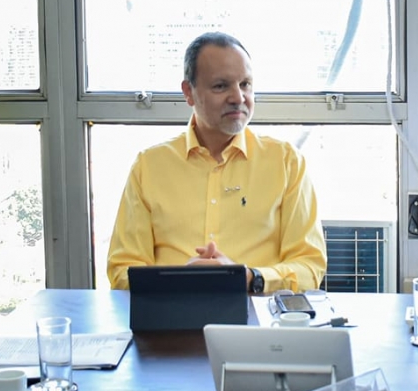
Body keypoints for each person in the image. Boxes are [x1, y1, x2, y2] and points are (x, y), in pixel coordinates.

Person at [106, 32, 326, 293]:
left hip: (257, 312)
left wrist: (249, 277)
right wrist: (178, 281)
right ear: (188, 92)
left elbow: (309, 266)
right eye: (221, 86)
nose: (238, 97)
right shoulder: (149, 166)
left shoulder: (286, 163)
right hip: (172, 311)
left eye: (245, 84)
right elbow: (122, 270)